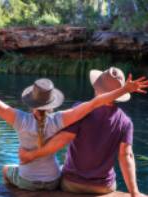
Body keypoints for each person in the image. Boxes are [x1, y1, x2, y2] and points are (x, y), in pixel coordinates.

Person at [0, 63, 148, 191]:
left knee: (6, 169)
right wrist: (123, 89)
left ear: (30, 102)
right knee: (57, 169)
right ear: (52, 103)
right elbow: (96, 103)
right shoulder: (60, 119)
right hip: (61, 182)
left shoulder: (18, 119)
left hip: (40, 182)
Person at [19, 67, 147, 196]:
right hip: (103, 187)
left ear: (97, 87)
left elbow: (61, 140)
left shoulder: (82, 110)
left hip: (72, 184)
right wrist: (134, 192)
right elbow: (126, 156)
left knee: (57, 171)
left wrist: (32, 155)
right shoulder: (125, 122)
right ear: (119, 96)